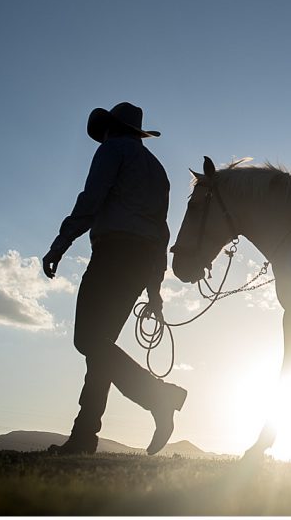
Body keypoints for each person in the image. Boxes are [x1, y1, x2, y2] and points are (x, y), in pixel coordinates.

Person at [42, 102, 186, 455]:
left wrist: (61, 243)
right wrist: (154, 287)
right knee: (100, 347)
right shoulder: (158, 169)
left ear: (110, 129)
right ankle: (83, 437)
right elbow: (160, 231)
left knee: (88, 341)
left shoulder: (112, 150)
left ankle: (159, 397)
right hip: (140, 263)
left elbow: (91, 199)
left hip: (113, 254)